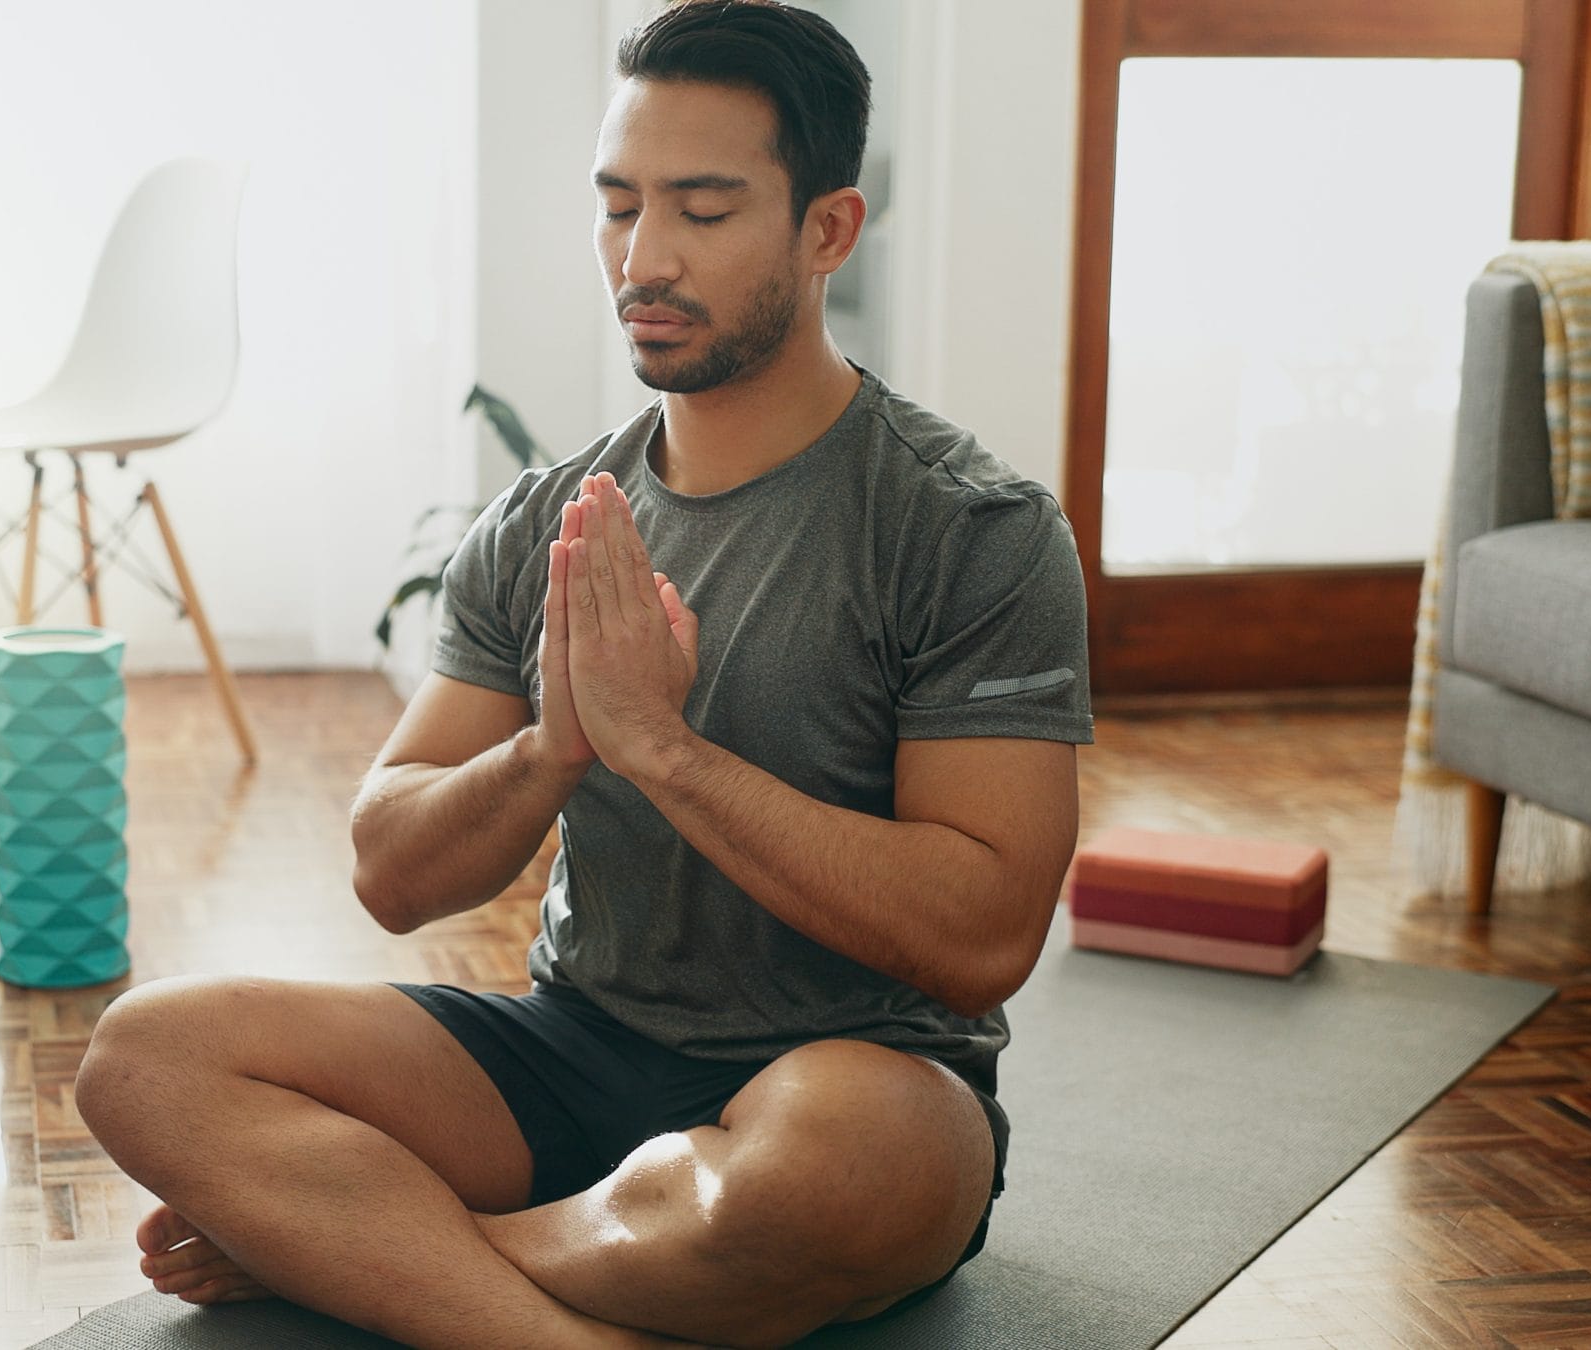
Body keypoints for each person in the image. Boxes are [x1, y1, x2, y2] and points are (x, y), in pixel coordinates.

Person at [74, 2, 1091, 1345]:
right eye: (619, 207)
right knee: (145, 1053)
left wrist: (664, 750)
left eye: (705, 211)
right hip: (567, 1056)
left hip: (852, 1077)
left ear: (827, 229)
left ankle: (390, 1251)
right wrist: (553, 748)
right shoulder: (551, 518)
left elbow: (984, 936)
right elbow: (392, 870)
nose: (645, 257)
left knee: (839, 1167)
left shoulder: (967, 527)